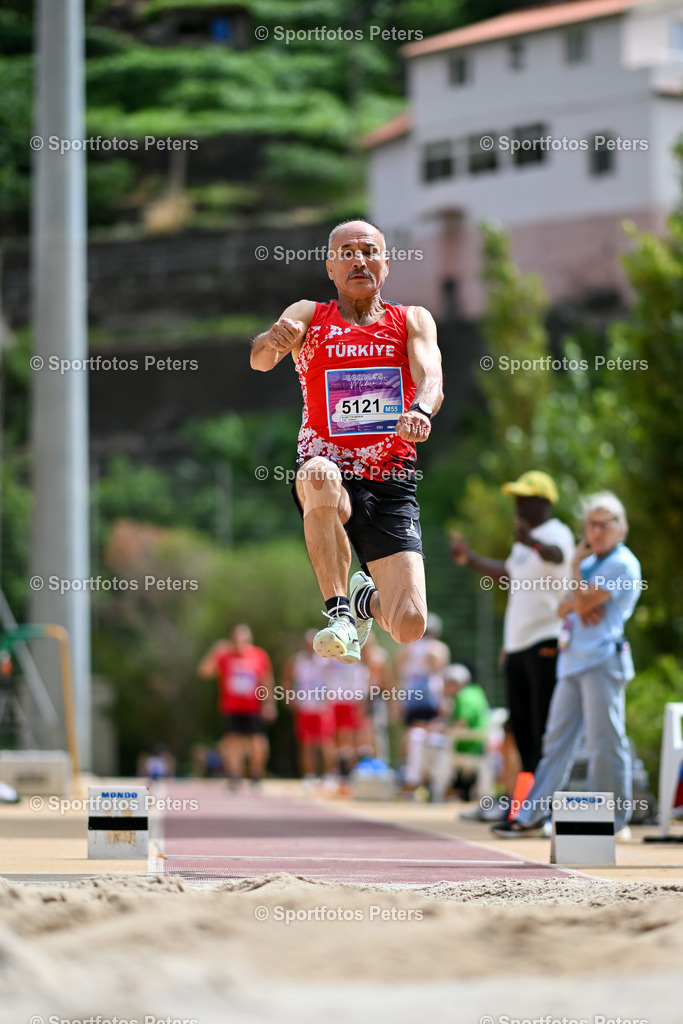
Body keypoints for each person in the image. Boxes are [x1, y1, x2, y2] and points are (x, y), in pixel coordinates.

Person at [250, 219, 443, 665]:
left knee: (409, 624)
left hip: (391, 481)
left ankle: (363, 602)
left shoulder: (411, 319)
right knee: (318, 474)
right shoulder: (308, 315)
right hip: (329, 472)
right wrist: (271, 340)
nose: (359, 260)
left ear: (386, 265)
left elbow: (430, 375)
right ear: (330, 267)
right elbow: (262, 361)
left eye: (369, 251)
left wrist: (419, 410)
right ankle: (339, 613)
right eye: (347, 253)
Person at [493, 492, 642, 838]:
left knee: (605, 741)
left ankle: (615, 819)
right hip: (572, 662)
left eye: (605, 524)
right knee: (555, 742)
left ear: (622, 528)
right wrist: (579, 596)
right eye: (591, 524)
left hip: (603, 660)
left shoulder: (623, 563)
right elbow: (563, 608)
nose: (596, 530)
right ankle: (530, 816)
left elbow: (582, 599)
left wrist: (575, 574)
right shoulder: (591, 565)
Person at [450, 471, 575, 777]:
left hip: (545, 639)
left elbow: (557, 557)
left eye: (525, 499)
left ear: (544, 502)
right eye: (516, 499)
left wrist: (532, 542)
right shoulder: (522, 544)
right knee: (520, 724)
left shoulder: (556, 533)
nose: (518, 506)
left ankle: (546, 796)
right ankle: (528, 795)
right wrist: (471, 559)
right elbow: (507, 572)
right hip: (518, 644)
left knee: (542, 721)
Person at [198, 624, 276, 788]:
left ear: (249, 639)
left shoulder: (258, 655)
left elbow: (267, 680)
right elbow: (204, 672)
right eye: (236, 638)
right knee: (232, 741)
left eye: (243, 638)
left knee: (258, 741)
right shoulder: (224, 655)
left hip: (253, 707)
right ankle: (235, 774)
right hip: (231, 707)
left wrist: (269, 703)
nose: (239, 641)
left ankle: (256, 773)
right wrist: (214, 652)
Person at [281, 630, 337, 783]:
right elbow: (286, 680)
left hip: (323, 708)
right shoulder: (297, 661)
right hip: (304, 707)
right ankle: (309, 776)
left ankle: (330, 776)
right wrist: (289, 698)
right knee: (306, 744)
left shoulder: (326, 659)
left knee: (326, 743)